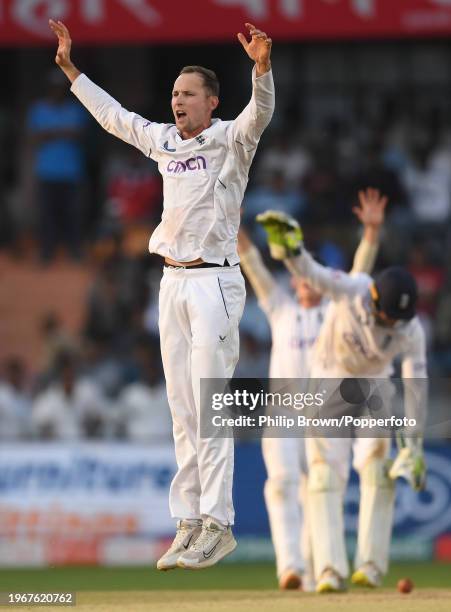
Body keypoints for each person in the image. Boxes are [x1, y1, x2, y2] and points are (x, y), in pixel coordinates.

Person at [49, 19, 274, 570]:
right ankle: (190, 519)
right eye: (173, 93)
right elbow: (115, 118)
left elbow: (260, 113)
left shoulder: (231, 140)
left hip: (215, 281)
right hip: (171, 280)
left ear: (211, 103)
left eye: (187, 94)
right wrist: (73, 71)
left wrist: (262, 70)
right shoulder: (164, 141)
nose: (176, 101)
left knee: (208, 403)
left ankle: (219, 525)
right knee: (181, 408)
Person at [257, 209, 427, 593]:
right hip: (331, 377)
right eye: (386, 317)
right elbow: (313, 273)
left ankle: (370, 565)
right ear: (373, 297)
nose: (391, 327)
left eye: (398, 321)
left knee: (378, 470)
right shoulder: (353, 290)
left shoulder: (410, 329)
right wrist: (291, 250)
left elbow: (416, 379)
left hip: (374, 385)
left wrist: (414, 444)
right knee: (323, 476)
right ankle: (329, 571)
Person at [238, 188, 386, 591]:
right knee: (282, 483)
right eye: (298, 279)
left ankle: (317, 568)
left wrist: (370, 233)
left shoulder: (337, 310)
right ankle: (291, 567)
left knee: (318, 491)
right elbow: (253, 266)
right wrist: (235, 224)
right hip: (284, 412)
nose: (304, 282)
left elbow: (359, 272)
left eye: (311, 277)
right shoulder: (279, 307)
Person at [27, 69, 87, 263]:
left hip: (71, 172)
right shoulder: (38, 108)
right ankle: (47, 253)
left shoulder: (74, 109)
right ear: (49, 88)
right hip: (47, 172)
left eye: (61, 88)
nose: (57, 92)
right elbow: (35, 137)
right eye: (54, 88)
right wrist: (61, 132)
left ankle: (74, 252)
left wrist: (51, 133)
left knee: (72, 214)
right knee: (47, 215)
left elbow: (79, 134)